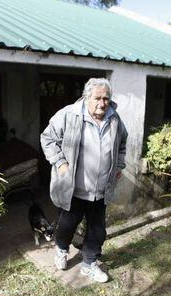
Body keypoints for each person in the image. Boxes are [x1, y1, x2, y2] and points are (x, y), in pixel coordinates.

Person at [40, 77, 128, 283]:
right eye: (97, 98)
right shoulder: (69, 114)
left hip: (101, 190)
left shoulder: (114, 119)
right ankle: (61, 249)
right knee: (67, 226)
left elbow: (122, 144)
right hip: (74, 189)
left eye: (106, 98)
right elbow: (48, 138)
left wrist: (119, 166)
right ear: (87, 97)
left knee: (98, 230)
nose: (102, 103)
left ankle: (89, 264)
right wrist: (60, 162)